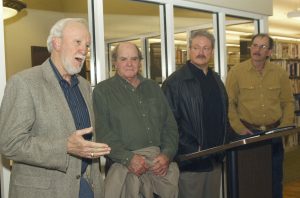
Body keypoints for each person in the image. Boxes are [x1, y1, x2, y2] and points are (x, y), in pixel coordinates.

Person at [0, 18, 111, 198]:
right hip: (45, 191)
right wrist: (64, 146)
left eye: (87, 45)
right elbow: (10, 144)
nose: (84, 50)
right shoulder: (24, 82)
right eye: (77, 42)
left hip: (86, 187)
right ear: (57, 43)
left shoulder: (84, 85)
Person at [93, 42, 179, 198]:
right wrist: (128, 158)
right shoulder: (103, 91)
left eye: (134, 59)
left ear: (140, 62)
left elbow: (170, 126)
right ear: (115, 63)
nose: (129, 63)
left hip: (159, 171)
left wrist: (167, 154)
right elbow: (103, 132)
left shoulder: (153, 87)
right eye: (123, 59)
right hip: (124, 170)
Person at [225, 33, 295, 198]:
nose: (257, 50)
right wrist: (239, 129)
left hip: (273, 133)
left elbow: (288, 102)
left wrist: (283, 128)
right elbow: (229, 103)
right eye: (255, 45)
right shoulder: (236, 72)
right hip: (248, 134)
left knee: (275, 177)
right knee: (249, 179)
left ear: (270, 52)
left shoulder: (280, 73)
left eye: (263, 46)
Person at [162, 30, 229, 198]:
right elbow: (168, 123)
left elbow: (222, 117)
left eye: (206, 48)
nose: (201, 52)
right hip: (191, 162)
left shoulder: (216, 80)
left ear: (212, 52)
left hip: (215, 159)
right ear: (189, 50)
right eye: (197, 47)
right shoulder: (175, 82)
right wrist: (192, 149)